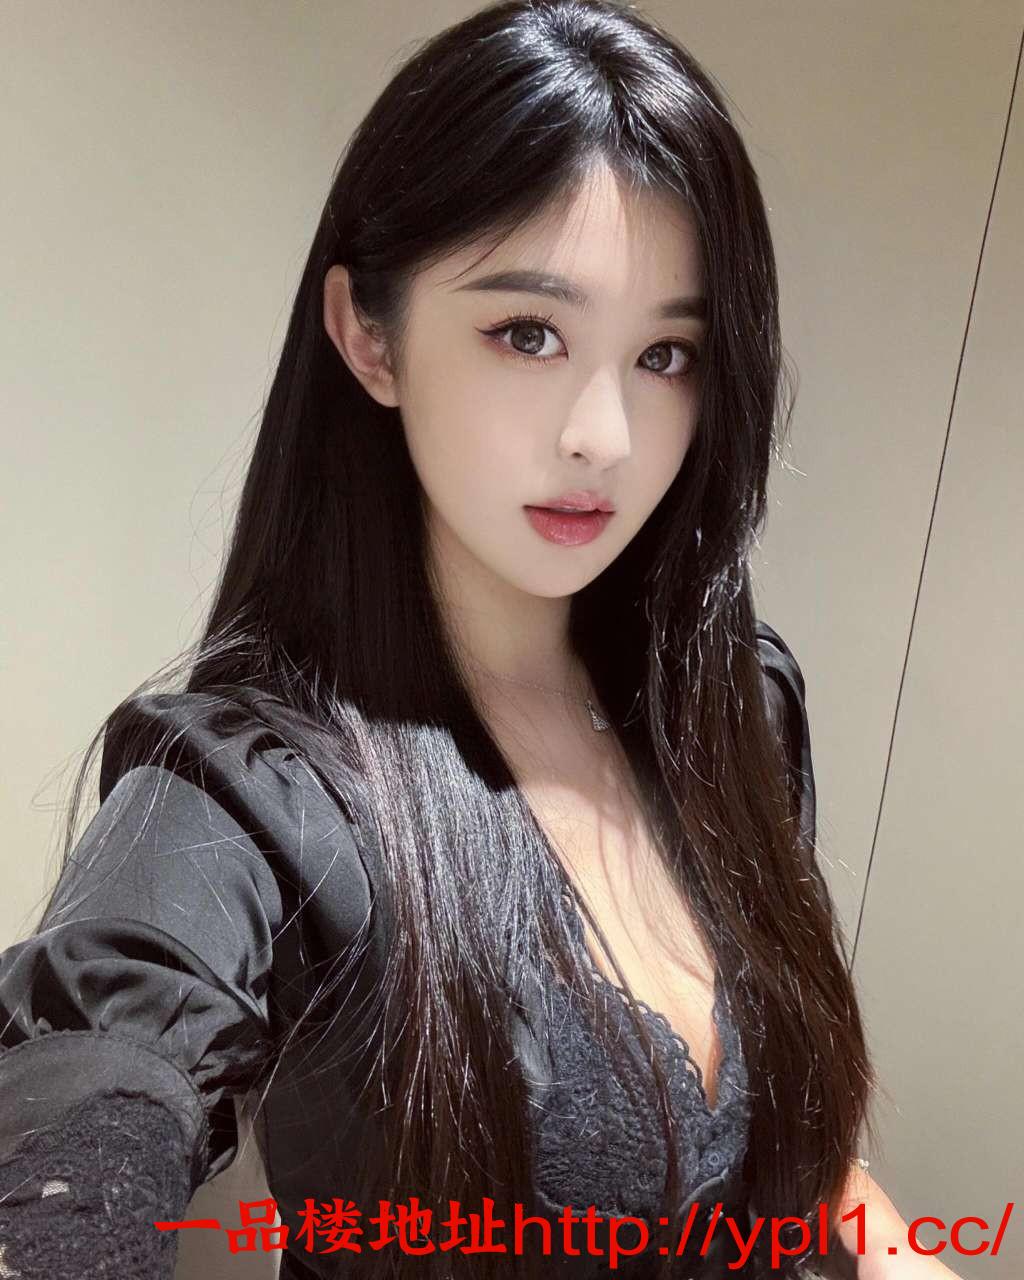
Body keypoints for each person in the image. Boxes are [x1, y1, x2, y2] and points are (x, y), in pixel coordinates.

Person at [0, 2, 960, 1278]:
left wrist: (898, 1253)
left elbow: (791, 1149)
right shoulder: (262, 790)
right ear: (370, 335)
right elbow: (80, 1115)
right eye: (528, 334)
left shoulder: (737, 704)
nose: (603, 436)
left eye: (666, 353)